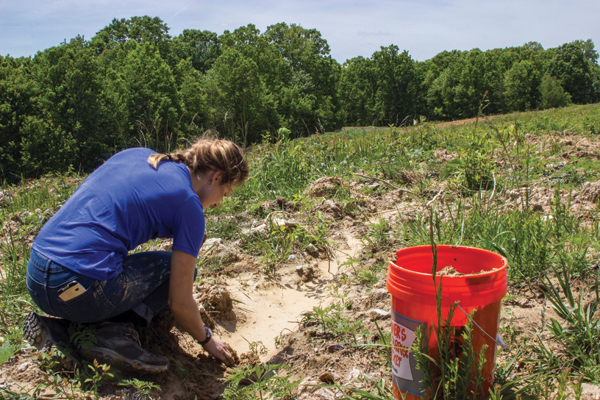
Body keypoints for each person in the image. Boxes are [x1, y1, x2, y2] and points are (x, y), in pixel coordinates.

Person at [23, 137, 249, 373]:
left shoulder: (140, 155)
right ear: (217, 177)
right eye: (225, 192)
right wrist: (207, 340)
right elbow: (179, 303)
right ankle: (114, 334)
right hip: (82, 286)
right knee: (177, 271)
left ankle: (62, 331)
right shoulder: (189, 206)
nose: (219, 203)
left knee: (103, 268)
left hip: (38, 276)